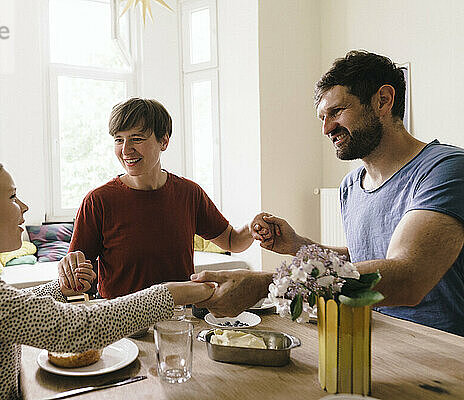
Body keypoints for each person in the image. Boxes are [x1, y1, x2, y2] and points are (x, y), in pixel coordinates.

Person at [0, 151, 215, 400]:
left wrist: (60, 288)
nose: (23, 207)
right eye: (11, 197)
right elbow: (78, 330)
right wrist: (174, 293)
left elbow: (14, 306)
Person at [195, 51, 464, 337]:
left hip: (442, 352)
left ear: (383, 100)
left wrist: (271, 283)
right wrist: (299, 246)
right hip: (372, 338)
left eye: (336, 112)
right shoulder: (350, 186)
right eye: (322, 118)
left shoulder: (446, 169)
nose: (326, 129)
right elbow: (363, 262)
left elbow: (408, 276)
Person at [59, 97, 272, 299]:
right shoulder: (98, 201)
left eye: (137, 139)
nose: (126, 150)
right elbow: (77, 278)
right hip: (121, 324)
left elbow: (231, 241)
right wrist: (73, 276)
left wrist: (252, 227)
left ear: (164, 141)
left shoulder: (189, 193)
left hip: (179, 318)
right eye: (118, 140)